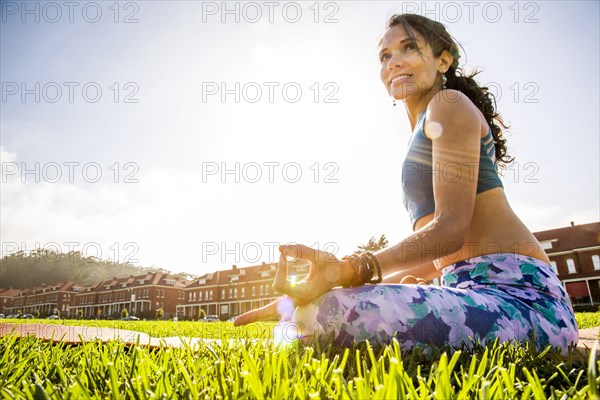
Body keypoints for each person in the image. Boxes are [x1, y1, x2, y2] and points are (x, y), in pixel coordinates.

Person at [234, 14, 578, 353]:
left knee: (326, 315)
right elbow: (435, 259)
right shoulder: (424, 130)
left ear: (443, 60)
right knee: (310, 312)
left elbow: (450, 229)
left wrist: (354, 269)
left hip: (527, 301)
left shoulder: (448, 105)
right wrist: (315, 290)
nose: (394, 62)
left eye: (408, 47)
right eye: (385, 56)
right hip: (472, 291)